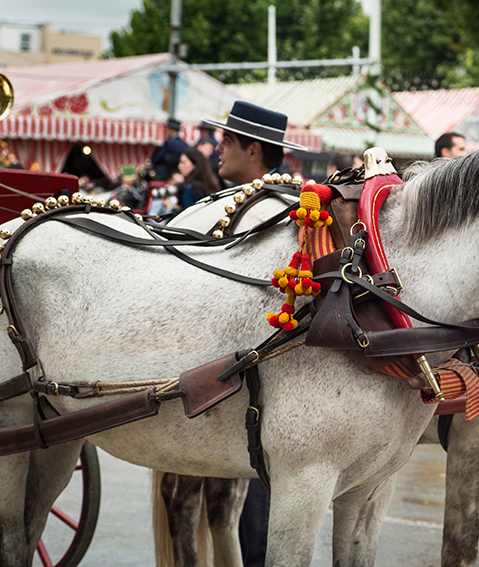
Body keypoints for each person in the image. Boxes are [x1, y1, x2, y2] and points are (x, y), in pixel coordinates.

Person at [200, 99, 307, 567]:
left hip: (255, 377)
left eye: (226, 141)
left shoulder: (267, 214)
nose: (217, 149)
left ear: (253, 150)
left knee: (258, 509)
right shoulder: (284, 206)